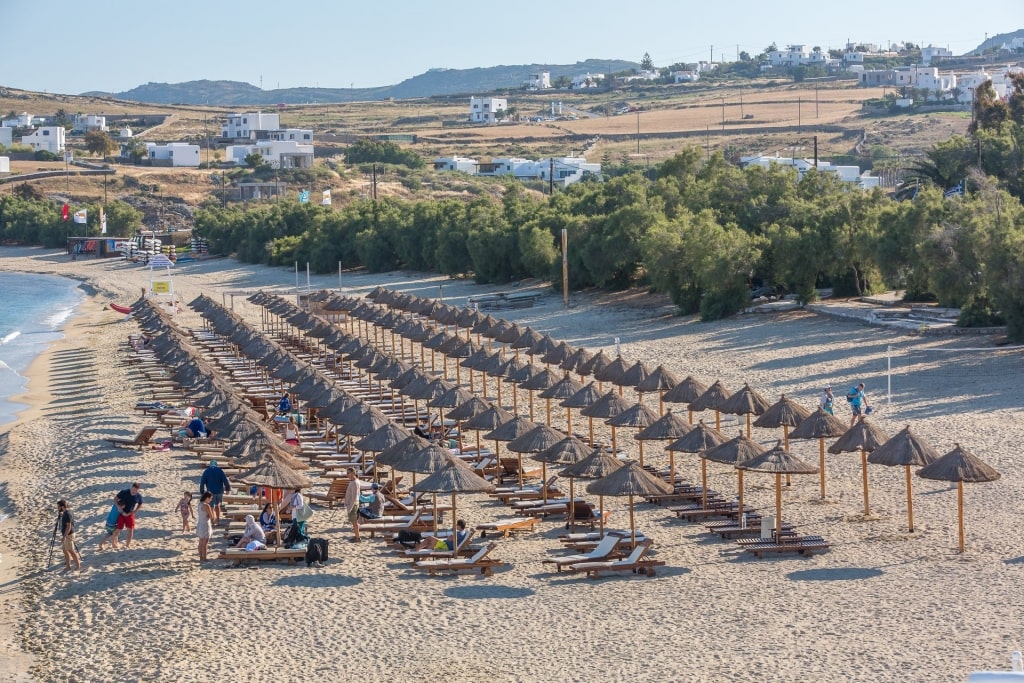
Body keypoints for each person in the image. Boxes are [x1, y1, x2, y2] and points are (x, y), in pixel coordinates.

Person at [199, 460, 231, 526]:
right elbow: (225, 480)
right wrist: (227, 489)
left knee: (211, 506)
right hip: (219, 491)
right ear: (216, 465)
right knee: (218, 505)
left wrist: (202, 492)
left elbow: (202, 483)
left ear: (210, 465)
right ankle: (218, 520)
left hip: (210, 492)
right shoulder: (220, 470)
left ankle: (212, 521)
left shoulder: (206, 471)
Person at [114, 483, 144, 549]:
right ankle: (114, 543)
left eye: (136, 491)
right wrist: (118, 507)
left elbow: (140, 503)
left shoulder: (138, 496)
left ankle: (127, 544)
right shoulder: (124, 492)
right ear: (131, 487)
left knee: (130, 529)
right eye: (133, 490)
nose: (134, 492)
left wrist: (135, 510)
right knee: (118, 529)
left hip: (130, 514)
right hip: (121, 513)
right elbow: (115, 499)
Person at [57, 499, 82, 573]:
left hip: (69, 535)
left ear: (62, 507)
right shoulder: (67, 512)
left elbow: (69, 526)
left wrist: (64, 536)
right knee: (65, 550)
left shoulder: (67, 514)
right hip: (68, 534)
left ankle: (78, 566)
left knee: (71, 551)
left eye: (58, 507)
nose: (58, 508)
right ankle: (68, 566)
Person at [344, 468, 362, 542]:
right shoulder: (353, 481)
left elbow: (354, 496)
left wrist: (350, 507)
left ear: (353, 473)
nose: (347, 474)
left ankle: (357, 537)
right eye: (347, 473)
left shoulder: (354, 482)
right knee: (354, 522)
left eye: (348, 473)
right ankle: (356, 536)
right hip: (353, 503)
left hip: (353, 504)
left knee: (354, 522)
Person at [196, 492, 214, 562]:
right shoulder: (207, 506)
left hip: (200, 523)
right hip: (206, 524)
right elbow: (212, 516)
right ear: (207, 498)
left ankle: (201, 557)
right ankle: (205, 557)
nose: (211, 500)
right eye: (210, 498)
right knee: (205, 542)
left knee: (200, 542)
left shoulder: (200, 504)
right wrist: (211, 512)